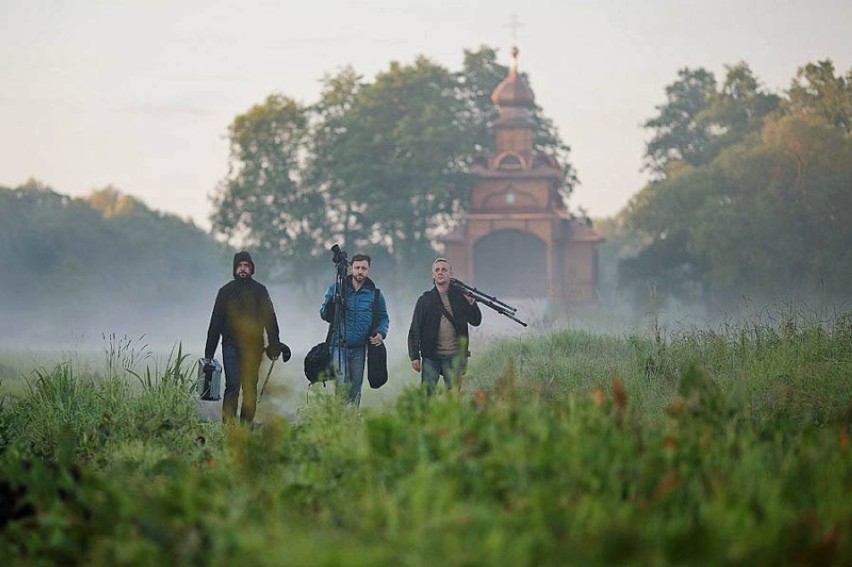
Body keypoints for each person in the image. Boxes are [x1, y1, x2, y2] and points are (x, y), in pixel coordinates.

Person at [204, 251, 283, 424]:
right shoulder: (225, 292)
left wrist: (274, 343)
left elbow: (270, 319)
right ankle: (229, 426)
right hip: (230, 345)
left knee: (250, 388)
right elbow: (215, 323)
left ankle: (246, 426)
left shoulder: (260, 291)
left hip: (254, 347)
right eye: (240, 266)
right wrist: (209, 354)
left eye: (246, 266)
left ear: (252, 269)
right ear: (234, 269)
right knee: (232, 385)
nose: (243, 269)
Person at [320, 253, 389, 406]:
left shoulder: (375, 295)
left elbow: (383, 318)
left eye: (363, 268)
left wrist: (381, 333)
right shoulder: (336, 288)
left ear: (368, 270)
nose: (360, 271)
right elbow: (324, 314)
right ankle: (339, 421)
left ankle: (352, 423)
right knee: (342, 384)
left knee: (356, 388)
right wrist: (333, 302)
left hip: (359, 348)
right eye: (357, 267)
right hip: (338, 345)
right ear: (351, 268)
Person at [408, 258, 482, 395]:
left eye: (444, 269)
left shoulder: (460, 298)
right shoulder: (425, 300)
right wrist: (414, 356)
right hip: (431, 356)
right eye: (437, 270)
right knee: (427, 395)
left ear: (450, 274)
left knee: (453, 397)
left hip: (455, 356)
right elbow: (415, 329)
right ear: (433, 275)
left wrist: (472, 304)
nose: (440, 272)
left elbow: (476, 321)